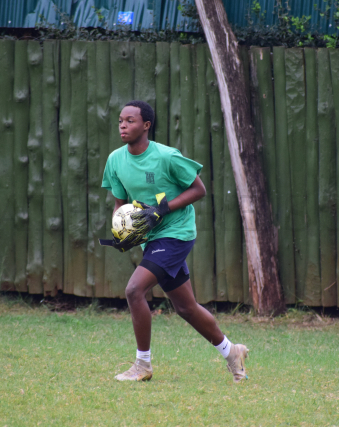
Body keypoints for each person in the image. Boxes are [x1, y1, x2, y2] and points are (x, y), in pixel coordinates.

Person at [100, 100, 248, 383]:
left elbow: (198, 190)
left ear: (146, 125)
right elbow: (119, 204)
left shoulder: (167, 157)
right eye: (120, 120)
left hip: (177, 232)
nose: (123, 125)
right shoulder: (115, 160)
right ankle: (232, 352)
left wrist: (162, 209)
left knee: (134, 290)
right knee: (185, 307)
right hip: (151, 238)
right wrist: (121, 230)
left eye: (130, 120)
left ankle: (142, 365)